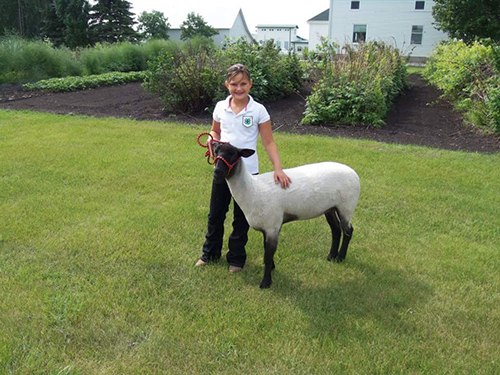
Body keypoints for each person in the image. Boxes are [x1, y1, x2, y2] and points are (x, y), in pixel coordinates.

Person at [196, 63, 291, 273]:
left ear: (250, 84)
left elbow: (269, 142)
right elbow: (215, 131)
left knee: (241, 218)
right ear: (227, 84)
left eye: (243, 84)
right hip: (223, 169)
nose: (239, 88)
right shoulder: (221, 107)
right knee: (216, 213)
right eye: (234, 84)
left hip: (247, 172)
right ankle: (209, 254)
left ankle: (236, 259)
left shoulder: (258, 110)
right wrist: (212, 142)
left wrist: (278, 168)